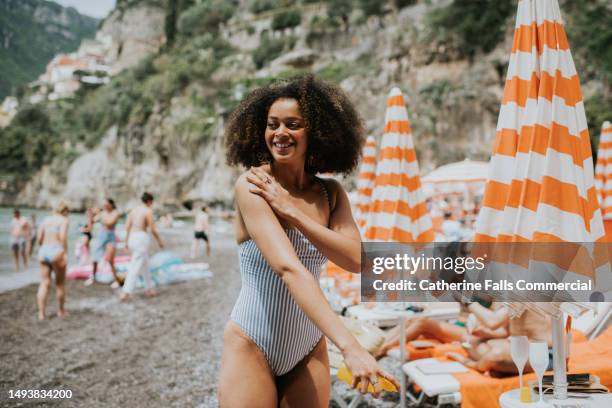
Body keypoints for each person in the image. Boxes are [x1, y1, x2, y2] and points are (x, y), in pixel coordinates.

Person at [219, 76, 399, 407]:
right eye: (272, 125)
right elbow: (289, 268)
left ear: (314, 132)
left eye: (293, 124)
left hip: (308, 345)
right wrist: (350, 346)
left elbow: (356, 260)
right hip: (252, 340)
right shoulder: (253, 185)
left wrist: (292, 212)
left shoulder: (331, 194)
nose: (280, 133)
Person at [120, 192, 164, 302]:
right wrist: (160, 241)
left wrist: (126, 242)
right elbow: (152, 229)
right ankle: (126, 291)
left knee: (145, 264)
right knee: (136, 265)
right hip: (141, 238)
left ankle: (149, 288)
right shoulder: (147, 211)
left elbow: (127, 227)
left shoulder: (134, 210)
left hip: (132, 237)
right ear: (150, 201)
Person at [36, 202, 69, 320]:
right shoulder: (63, 220)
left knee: (44, 282)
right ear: (65, 210)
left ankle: (41, 314)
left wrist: (44, 248)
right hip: (56, 250)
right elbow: (62, 237)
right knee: (60, 284)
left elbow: (39, 238)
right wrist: (65, 253)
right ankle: (61, 311)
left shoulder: (45, 220)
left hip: (43, 250)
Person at [85, 199, 122, 287]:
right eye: (104, 204)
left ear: (111, 204)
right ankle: (93, 277)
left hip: (111, 237)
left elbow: (109, 223)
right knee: (94, 258)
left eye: (106, 204)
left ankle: (115, 280)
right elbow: (91, 225)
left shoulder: (115, 213)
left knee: (110, 259)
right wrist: (90, 215)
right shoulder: (102, 213)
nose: (104, 206)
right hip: (101, 236)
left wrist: (100, 215)